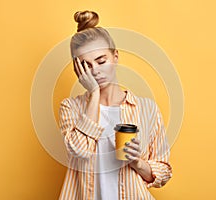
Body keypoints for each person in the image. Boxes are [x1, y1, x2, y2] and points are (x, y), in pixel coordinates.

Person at [58, 10, 172, 200]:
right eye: (86, 66)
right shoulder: (71, 108)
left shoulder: (146, 109)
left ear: (115, 57)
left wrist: (137, 162)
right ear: (77, 70)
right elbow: (78, 152)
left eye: (101, 61)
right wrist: (94, 94)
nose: (95, 71)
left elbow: (164, 172)